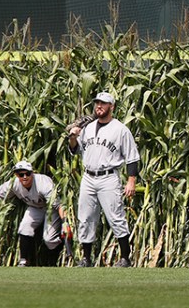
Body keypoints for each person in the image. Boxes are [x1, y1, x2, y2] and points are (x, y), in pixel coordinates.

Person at [68, 92, 140, 267]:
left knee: (116, 218)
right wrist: (73, 137)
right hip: (88, 177)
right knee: (85, 218)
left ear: (112, 107)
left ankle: (125, 258)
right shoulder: (88, 127)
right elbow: (75, 150)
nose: (99, 106)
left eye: (104, 103)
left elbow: (132, 157)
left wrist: (131, 181)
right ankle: (86, 258)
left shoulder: (120, 129)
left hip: (109, 177)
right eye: (97, 103)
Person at [0, 161, 65, 266]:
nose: (25, 177)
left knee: (49, 239)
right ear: (16, 175)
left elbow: (59, 205)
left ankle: (58, 261)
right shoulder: (14, 183)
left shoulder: (42, 184)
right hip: (36, 207)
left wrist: (65, 224)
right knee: (24, 227)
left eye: (28, 173)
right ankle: (23, 261)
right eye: (21, 174)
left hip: (51, 207)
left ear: (32, 173)